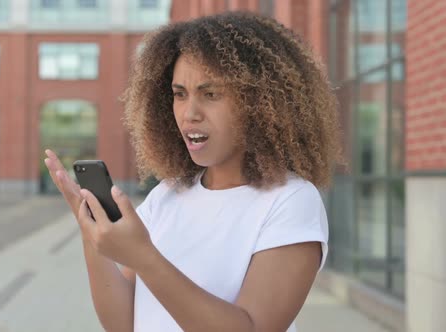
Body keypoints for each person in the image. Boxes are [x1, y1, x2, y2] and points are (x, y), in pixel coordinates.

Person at [44, 11, 341, 332]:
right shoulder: (167, 195)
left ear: (259, 103)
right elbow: (123, 324)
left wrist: (145, 258)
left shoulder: (291, 201)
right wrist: (93, 239)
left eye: (210, 94)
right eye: (179, 94)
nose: (189, 113)